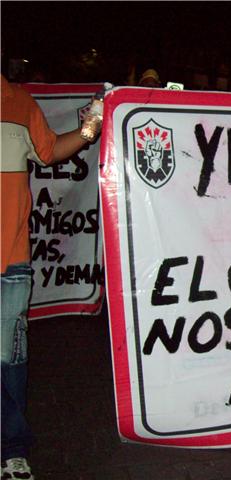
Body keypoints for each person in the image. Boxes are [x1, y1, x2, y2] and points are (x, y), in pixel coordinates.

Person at [1, 74, 103, 478]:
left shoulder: (19, 102)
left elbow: (49, 152)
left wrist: (91, 127)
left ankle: (11, 450)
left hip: (9, 260)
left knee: (8, 359)